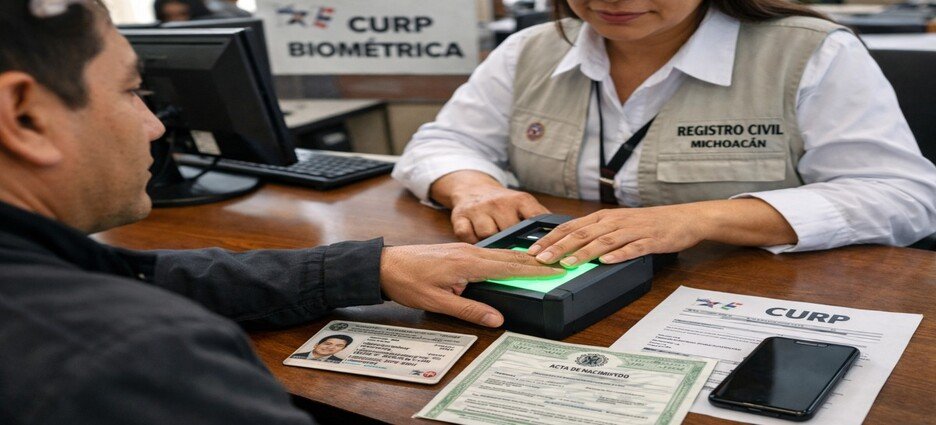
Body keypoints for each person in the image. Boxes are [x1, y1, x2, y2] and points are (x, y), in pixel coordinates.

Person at [0, 1, 561, 423]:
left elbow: (148, 276)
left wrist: (370, 269)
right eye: (131, 91)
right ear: (24, 116)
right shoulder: (128, 360)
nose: (154, 126)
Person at [393, 0, 936, 268]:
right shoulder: (531, 49)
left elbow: (903, 196)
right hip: (565, 289)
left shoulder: (810, 52)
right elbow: (443, 142)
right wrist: (473, 187)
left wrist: (699, 218)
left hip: (739, 295)